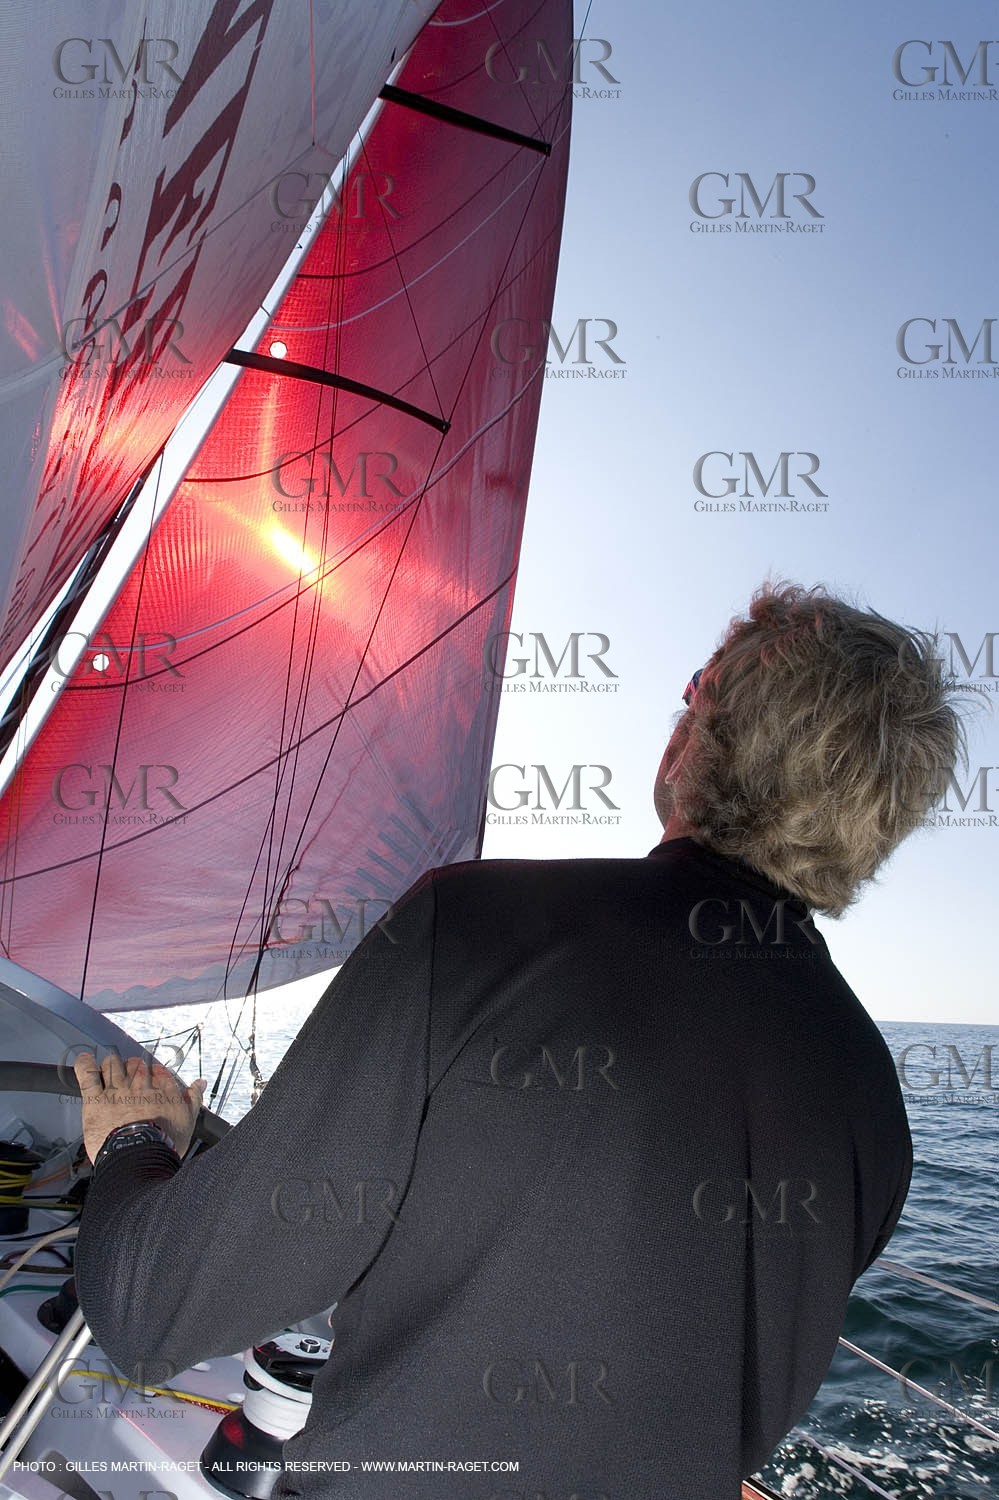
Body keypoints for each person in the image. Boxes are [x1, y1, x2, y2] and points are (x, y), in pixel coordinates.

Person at [73, 581, 966, 1499]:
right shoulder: (872, 1102)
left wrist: (136, 1141)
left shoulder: (474, 927)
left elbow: (153, 1308)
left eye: (695, 690)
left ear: (694, 743)